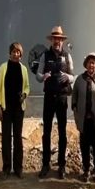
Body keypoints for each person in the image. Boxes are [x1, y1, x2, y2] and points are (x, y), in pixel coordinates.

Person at [36, 26, 75, 179]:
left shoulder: (67, 56)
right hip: (49, 97)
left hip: (62, 98)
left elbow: (73, 76)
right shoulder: (45, 56)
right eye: (54, 39)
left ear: (62, 41)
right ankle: (45, 164)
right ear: (51, 40)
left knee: (62, 132)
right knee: (46, 132)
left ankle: (62, 165)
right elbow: (38, 75)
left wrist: (68, 77)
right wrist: (43, 76)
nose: (57, 41)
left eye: (59, 39)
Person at [71, 52, 95, 183]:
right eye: (89, 62)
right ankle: (86, 169)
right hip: (83, 118)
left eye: (93, 63)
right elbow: (74, 94)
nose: (91, 65)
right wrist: (74, 106)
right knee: (84, 146)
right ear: (86, 64)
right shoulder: (79, 79)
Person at [0, 42, 30, 179]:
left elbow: (27, 86)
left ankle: (18, 168)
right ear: (10, 53)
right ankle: (6, 168)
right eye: (14, 52)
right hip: (6, 108)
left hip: (19, 108)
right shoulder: (3, 67)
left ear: (21, 54)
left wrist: (24, 94)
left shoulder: (24, 69)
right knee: (6, 138)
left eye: (18, 52)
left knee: (18, 137)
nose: (16, 54)